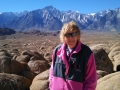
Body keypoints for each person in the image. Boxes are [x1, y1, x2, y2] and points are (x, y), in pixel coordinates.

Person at [49, 21, 97, 90]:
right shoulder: (57, 50)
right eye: (67, 35)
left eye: (74, 34)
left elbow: (91, 81)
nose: (71, 38)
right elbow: (52, 70)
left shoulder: (86, 53)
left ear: (78, 35)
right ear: (63, 37)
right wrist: (52, 84)